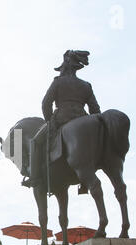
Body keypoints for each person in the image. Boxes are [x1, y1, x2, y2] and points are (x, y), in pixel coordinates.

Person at [23, 50, 101, 188]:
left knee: (35, 141)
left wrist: (49, 121)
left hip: (62, 119)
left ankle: (34, 179)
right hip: (82, 118)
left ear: (64, 67)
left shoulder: (58, 82)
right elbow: (95, 111)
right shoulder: (86, 85)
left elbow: (46, 103)